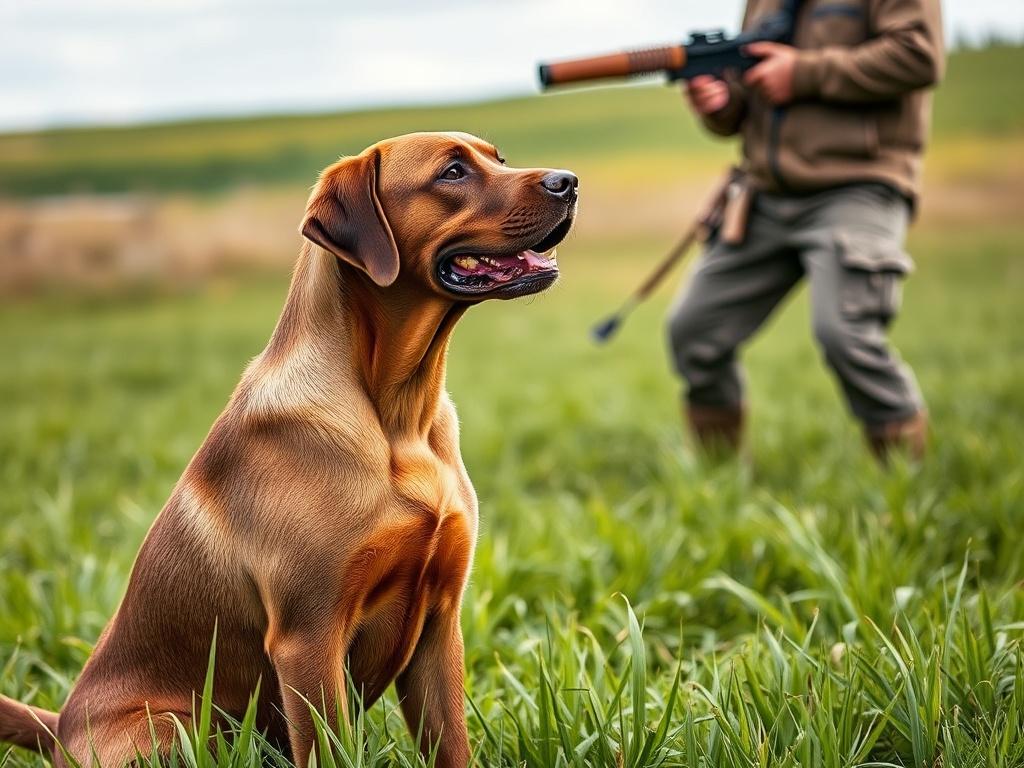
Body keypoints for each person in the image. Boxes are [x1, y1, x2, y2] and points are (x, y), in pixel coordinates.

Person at [668, 0, 945, 462]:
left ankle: (907, 489)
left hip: (857, 187)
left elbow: (919, 55)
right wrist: (722, 103)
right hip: (766, 194)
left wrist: (803, 74)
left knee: (846, 335)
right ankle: (718, 486)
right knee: (694, 329)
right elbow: (748, 100)